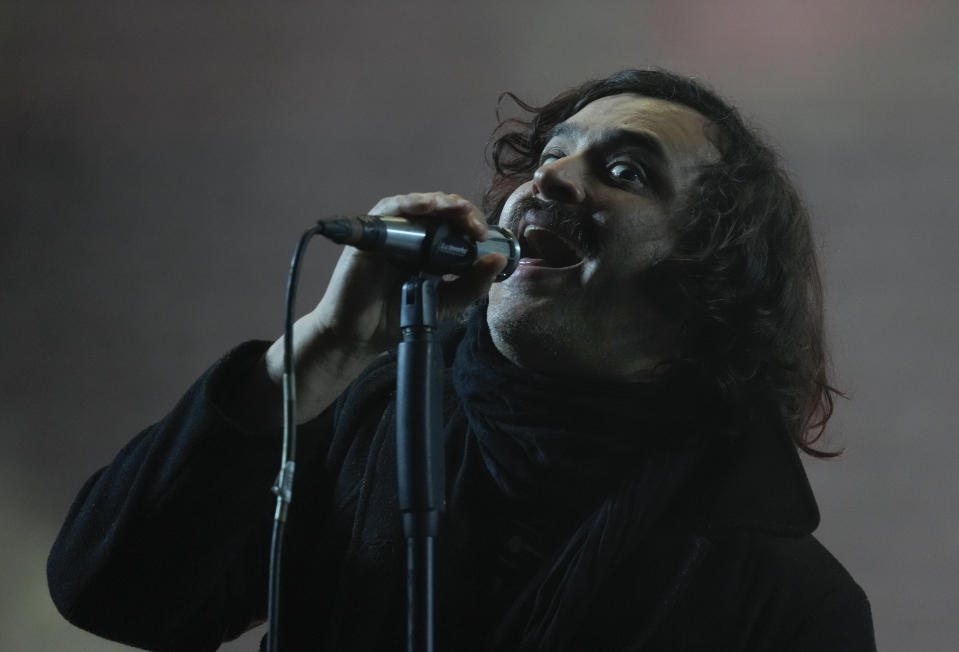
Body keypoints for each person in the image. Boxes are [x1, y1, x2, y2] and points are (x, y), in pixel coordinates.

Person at [47, 69, 877, 651]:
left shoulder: (785, 599)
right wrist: (329, 346)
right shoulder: (364, 421)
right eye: (552, 150)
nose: (549, 178)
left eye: (623, 170)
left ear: (708, 278)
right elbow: (113, 593)